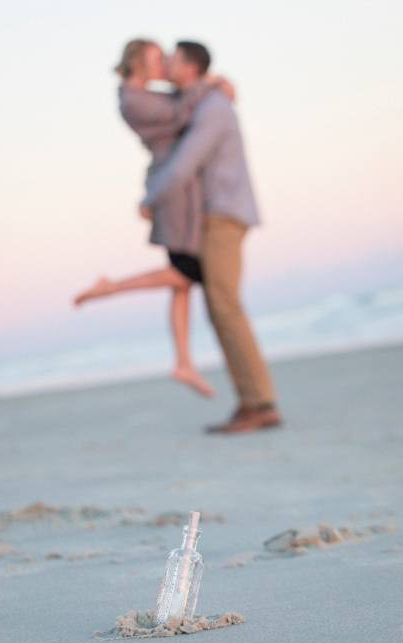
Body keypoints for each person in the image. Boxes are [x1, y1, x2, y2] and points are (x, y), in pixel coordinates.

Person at [73, 38, 234, 398]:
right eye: (156, 57)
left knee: (182, 280)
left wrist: (206, 86)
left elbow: (180, 104)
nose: (163, 63)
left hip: (177, 184)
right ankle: (110, 287)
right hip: (171, 186)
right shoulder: (133, 99)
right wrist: (210, 85)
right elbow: (180, 114)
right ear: (137, 61)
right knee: (188, 270)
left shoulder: (145, 94)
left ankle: (183, 361)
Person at [140, 41, 280, 434]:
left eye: (171, 59)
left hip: (223, 216)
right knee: (221, 308)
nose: (165, 64)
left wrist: (149, 199)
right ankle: (253, 401)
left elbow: (185, 164)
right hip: (217, 215)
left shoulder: (212, 109)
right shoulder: (201, 101)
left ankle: (259, 403)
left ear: (189, 66)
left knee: (225, 306)